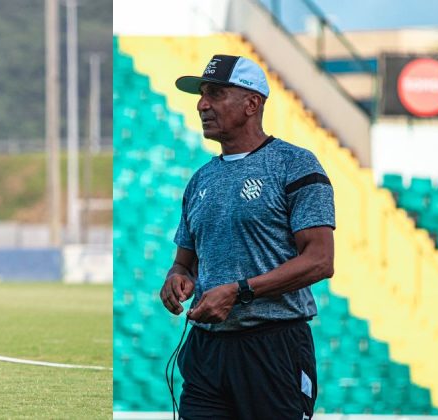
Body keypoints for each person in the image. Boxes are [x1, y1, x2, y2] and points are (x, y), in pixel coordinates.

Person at [160, 54, 335, 419]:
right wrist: (176, 279)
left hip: (273, 347)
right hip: (207, 350)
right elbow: (184, 262)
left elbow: (320, 260)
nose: (202, 104)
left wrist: (240, 291)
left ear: (252, 103)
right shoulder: (200, 180)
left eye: (216, 94)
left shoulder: (295, 164)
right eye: (202, 95)